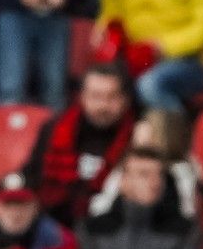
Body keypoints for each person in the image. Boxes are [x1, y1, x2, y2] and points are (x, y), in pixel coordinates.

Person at [26, 63, 136, 225]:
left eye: (112, 97)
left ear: (125, 100)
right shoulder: (55, 128)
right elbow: (33, 175)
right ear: (82, 97)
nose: (103, 106)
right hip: (56, 224)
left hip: (114, 231)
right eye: (96, 96)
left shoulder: (136, 136)